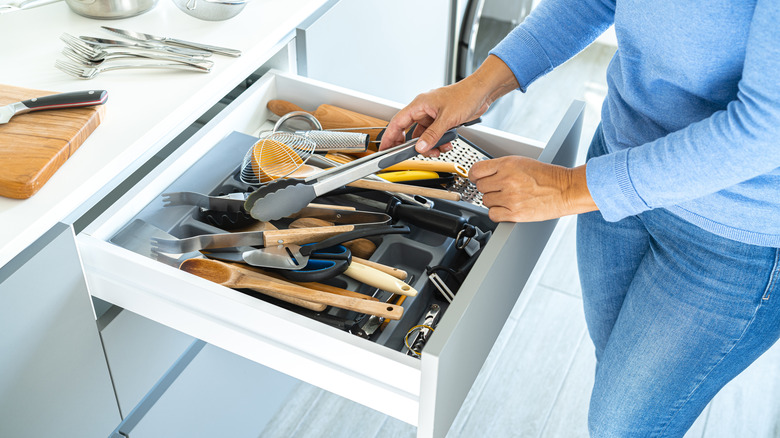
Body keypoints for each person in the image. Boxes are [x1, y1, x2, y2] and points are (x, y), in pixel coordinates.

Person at [379, 0, 780, 436]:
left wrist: (570, 188)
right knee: (615, 372)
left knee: (620, 426)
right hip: (619, 161)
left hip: (733, 232)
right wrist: (481, 85)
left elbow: (766, 130)